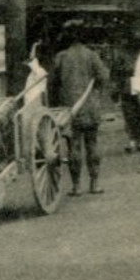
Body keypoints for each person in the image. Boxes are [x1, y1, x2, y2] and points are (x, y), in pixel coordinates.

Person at [49, 19, 110, 196]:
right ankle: (95, 184)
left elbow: (52, 83)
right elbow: (103, 77)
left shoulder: (61, 57)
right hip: (90, 107)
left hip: (70, 109)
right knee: (92, 144)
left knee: (73, 146)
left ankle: (76, 186)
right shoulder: (92, 55)